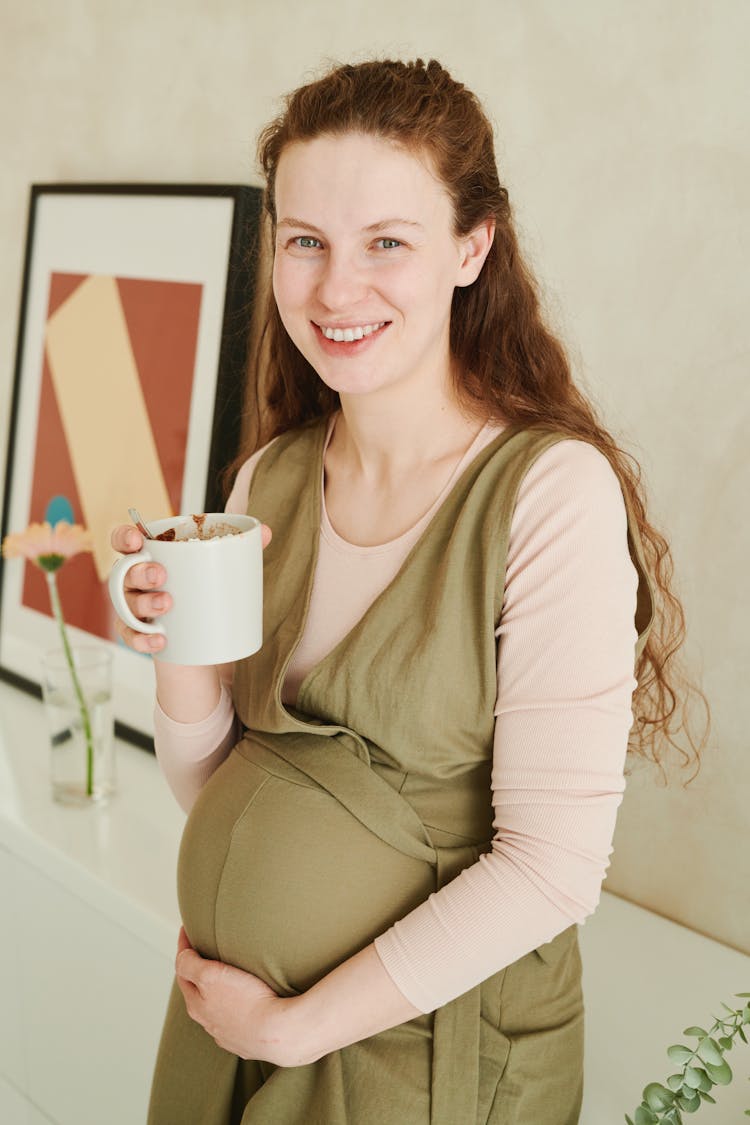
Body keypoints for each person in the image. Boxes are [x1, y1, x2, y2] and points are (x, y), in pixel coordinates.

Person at [111, 58, 707, 1125]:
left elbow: (551, 871)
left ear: (471, 248)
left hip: (420, 1060)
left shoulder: (549, 493)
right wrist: (182, 655)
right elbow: (221, 786)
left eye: (387, 241)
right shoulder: (269, 481)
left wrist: (292, 1028)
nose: (338, 291)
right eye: (306, 243)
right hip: (232, 1028)